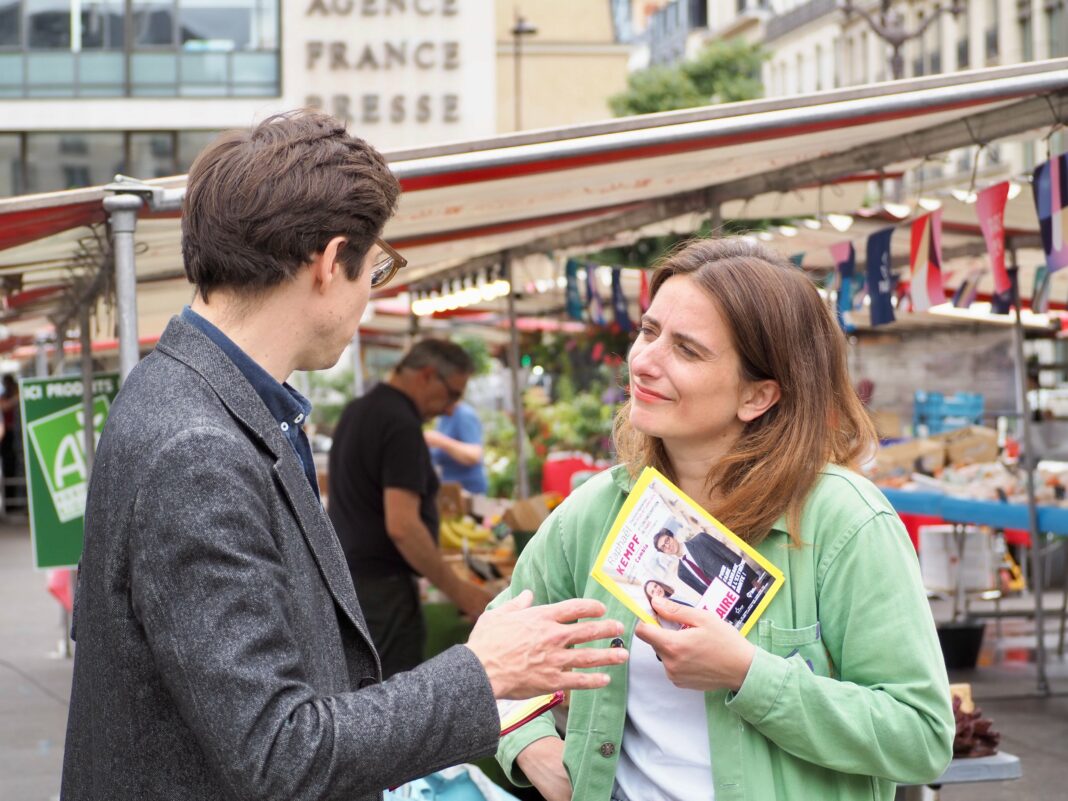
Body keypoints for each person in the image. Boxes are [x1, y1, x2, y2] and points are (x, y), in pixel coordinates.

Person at [61, 111, 629, 801]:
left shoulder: (186, 388)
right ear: (331, 263)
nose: (370, 293)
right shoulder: (198, 447)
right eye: (376, 268)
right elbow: (279, 752)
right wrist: (480, 671)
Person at [492, 238, 953, 801]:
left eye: (687, 350)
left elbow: (921, 735)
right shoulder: (598, 511)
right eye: (649, 330)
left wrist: (748, 675)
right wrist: (534, 747)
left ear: (758, 396)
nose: (644, 361)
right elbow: (493, 653)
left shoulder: (845, 522)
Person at [329, 338, 493, 678]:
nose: (450, 409)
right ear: (427, 376)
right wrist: (460, 591)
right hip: (383, 591)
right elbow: (403, 526)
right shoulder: (400, 424)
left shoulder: (359, 409)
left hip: (351, 581)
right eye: (452, 394)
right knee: (392, 692)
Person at [426, 400, 489, 495]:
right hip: (450, 490)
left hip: (469, 491)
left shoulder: (464, 415)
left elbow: (474, 456)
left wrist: (441, 441)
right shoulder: (443, 418)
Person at [0, 374, 22, 509]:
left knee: (11, 467)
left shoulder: (8, 395)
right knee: (8, 467)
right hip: (7, 436)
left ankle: (10, 504)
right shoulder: (6, 397)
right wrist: (18, 396)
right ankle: (9, 505)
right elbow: (5, 407)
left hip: (11, 435)